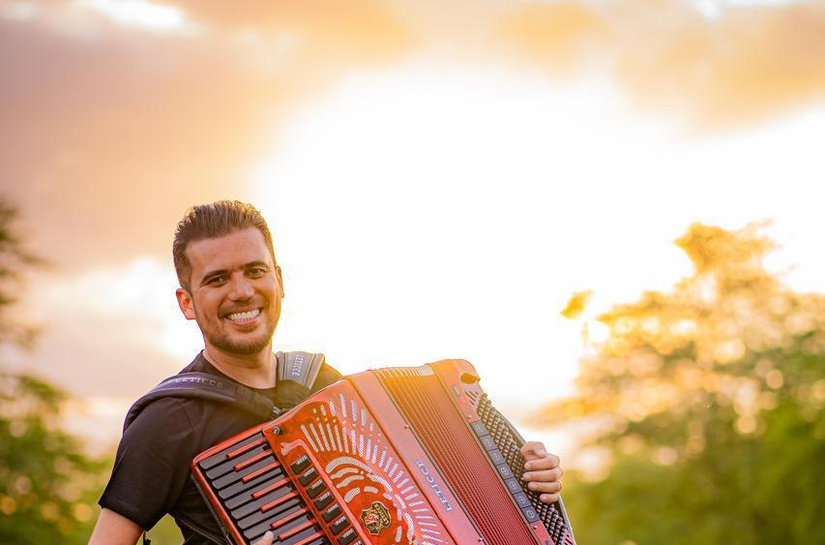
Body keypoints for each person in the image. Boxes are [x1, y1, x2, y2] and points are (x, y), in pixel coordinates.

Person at [88, 201, 564, 545]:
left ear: (279, 280)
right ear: (186, 302)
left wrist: (524, 477)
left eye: (254, 271)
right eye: (217, 279)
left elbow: (407, 506)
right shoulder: (168, 420)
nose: (241, 291)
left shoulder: (324, 384)